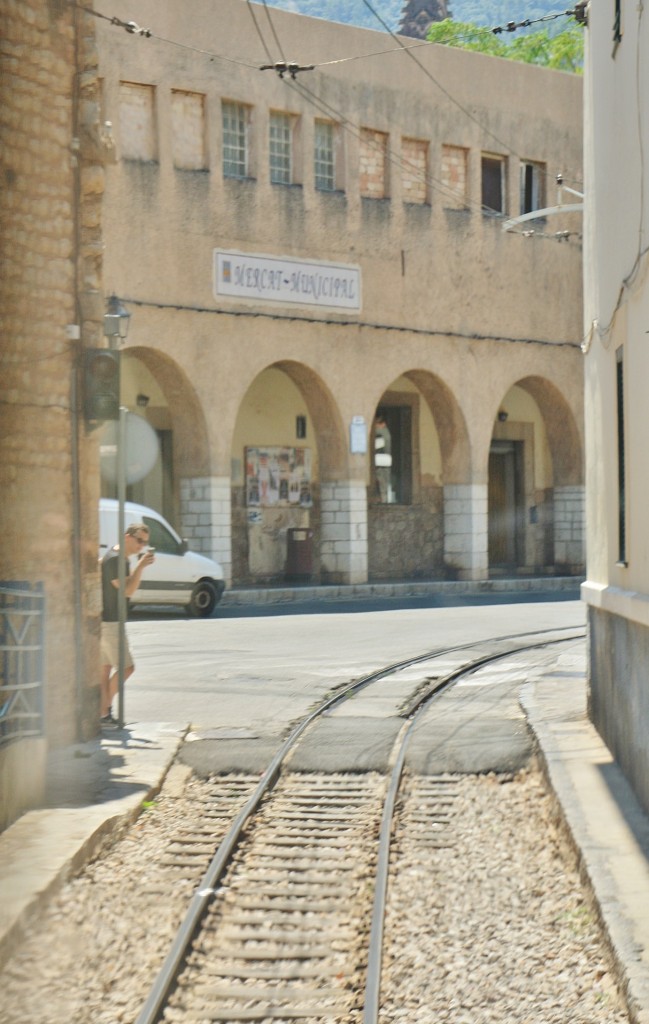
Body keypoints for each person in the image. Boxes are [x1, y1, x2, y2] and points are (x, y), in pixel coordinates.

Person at [100, 522, 155, 725]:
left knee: (104, 669)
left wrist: (138, 567)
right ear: (127, 537)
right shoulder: (116, 560)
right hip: (111, 623)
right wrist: (141, 566)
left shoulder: (117, 558)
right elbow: (127, 591)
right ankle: (103, 708)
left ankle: (104, 714)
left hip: (107, 621)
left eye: (145, 543)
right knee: (127, 668)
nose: (141, 546)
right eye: (139, 540)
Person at [374, 414, 392, 503]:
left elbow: (377, 447)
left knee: (382, 483)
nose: (375, 426)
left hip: (381, 463)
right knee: (383, 483)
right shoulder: (384, 433)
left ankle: (384, 501)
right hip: (384, 462)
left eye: (377, 424)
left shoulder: (382, 433)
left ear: (382, 424)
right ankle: (384, 500)